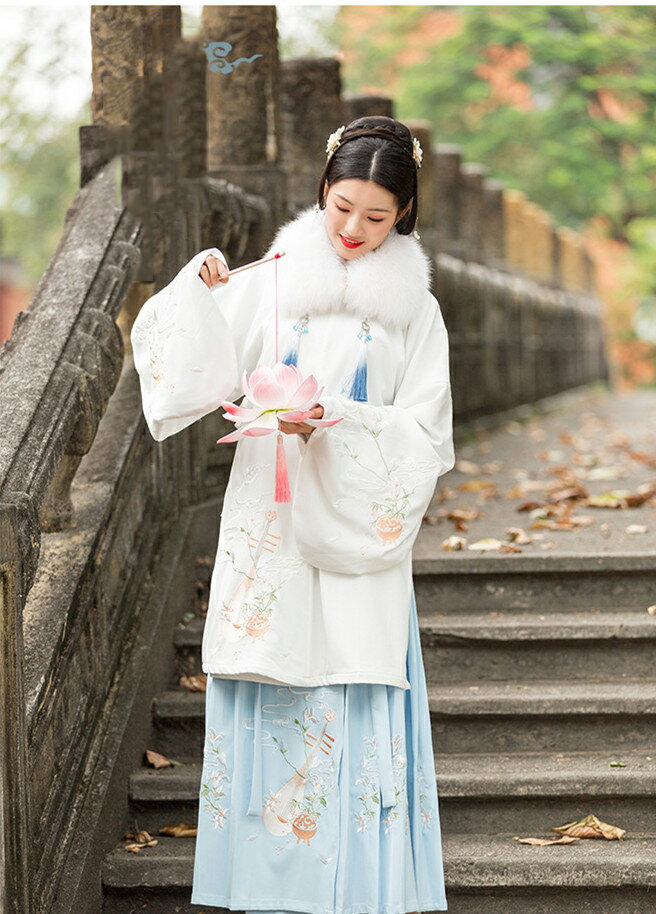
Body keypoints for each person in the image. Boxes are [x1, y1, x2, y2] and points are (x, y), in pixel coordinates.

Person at [130, 115, 454, 913]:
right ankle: (267, 888)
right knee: (274, 685)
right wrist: (197, 292)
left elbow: (426, 432)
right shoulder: (270, 279)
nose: (354, 229)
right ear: (322, 192)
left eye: (378, 216)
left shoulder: (416, 310)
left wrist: (337, 424)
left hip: (357, 529)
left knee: (351, 676)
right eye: (343, 206)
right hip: (270, 523)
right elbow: (190, 378)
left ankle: (362, 891)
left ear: (404, 216)